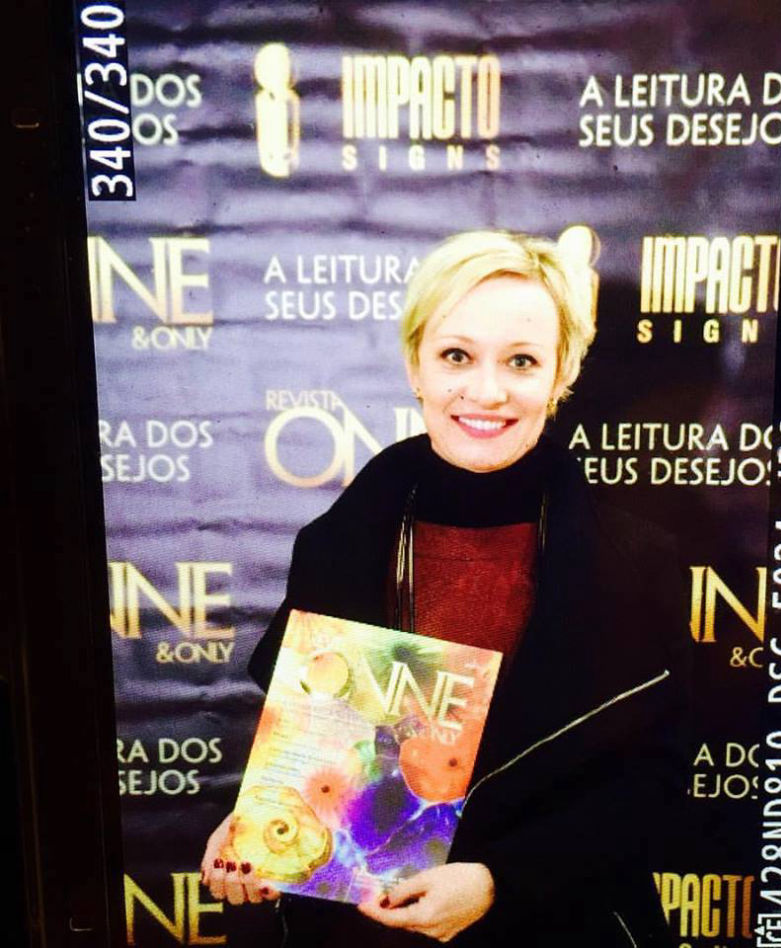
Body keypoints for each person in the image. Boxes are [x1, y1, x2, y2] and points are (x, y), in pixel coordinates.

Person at [202, 230, 685, 946]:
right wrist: (262, 822)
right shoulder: (334, 546)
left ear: (561, 376)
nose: (486, 392)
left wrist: (499, 880)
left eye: (521, 361)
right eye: (457, 355)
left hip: (559, 928)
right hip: (364, 933)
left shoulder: (639, 562)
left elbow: (656, 790)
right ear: (416, 366)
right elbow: (320, 761)